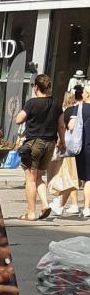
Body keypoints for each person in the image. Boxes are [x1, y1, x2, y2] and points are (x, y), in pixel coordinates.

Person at [14, 73, 60, 221]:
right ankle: (45, 204)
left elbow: (18, 120)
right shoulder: (56, 103)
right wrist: (63, 142)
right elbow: (61, 125)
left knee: (30, 178)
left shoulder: (32, 103)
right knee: (39, 176)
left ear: (36, 88)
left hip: (34, 144)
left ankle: (31, 213)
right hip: (50, 143)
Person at [50, 89, 80, 216]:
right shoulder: (78, 109)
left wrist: (60, 142)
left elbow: (65, 127)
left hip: (69, 148)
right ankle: (71, 203)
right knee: (73, 177)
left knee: (68, 176)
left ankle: (62, 203)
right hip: (79, 147)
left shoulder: (69, 111)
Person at [63, 82, 90, 217]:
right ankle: (87, 208)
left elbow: (71, 126)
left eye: (84, 92)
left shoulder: (79, 107)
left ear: (88, 94)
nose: (82, 94)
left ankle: (73, 204)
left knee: (76, 176)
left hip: (80, 147)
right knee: (89, 179)